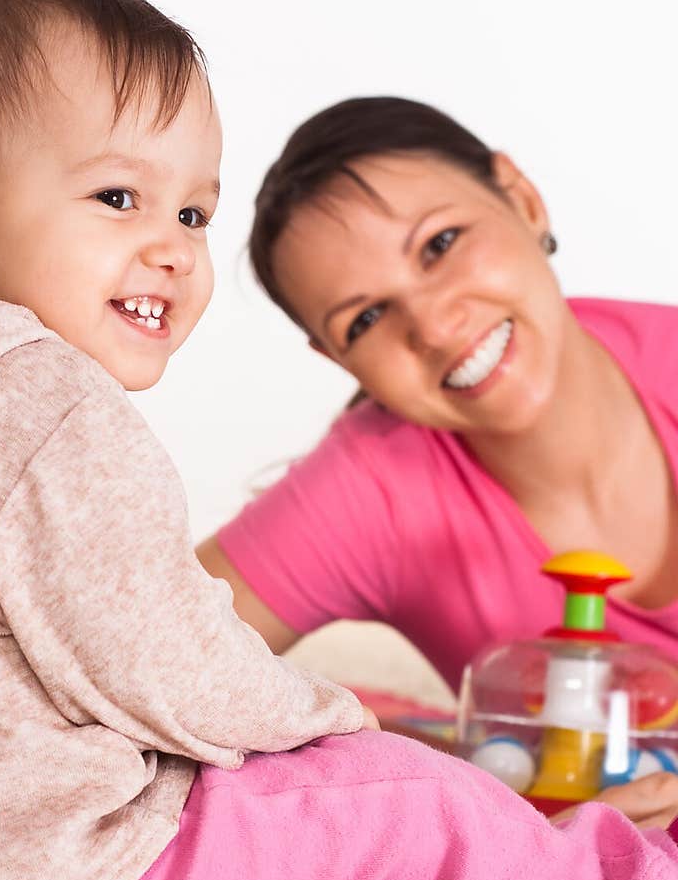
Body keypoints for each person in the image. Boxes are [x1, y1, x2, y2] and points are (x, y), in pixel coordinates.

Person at [0, 0, 676, 880]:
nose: (170, 248)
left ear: (521, 200)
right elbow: (175, 662)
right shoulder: (43, 399)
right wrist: (345, 724)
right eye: (119, 197)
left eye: (191, 211)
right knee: (396, 799)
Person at [197, 97, 678, 818]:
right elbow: (139, 655)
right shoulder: (371, 486)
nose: (431, 324)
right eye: (364, 318)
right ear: (336, 357)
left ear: (522, 199)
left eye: (440, 243)